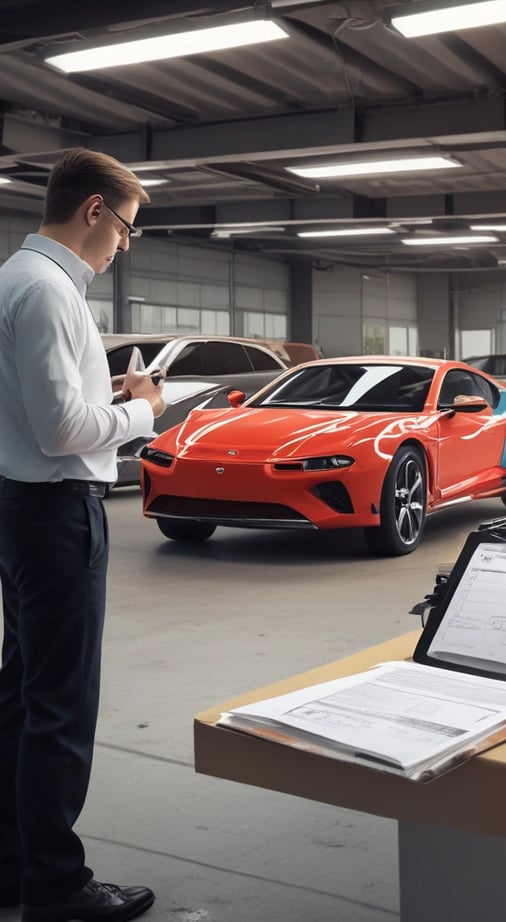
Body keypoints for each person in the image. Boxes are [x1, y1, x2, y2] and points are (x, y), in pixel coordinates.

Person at [0, 148, 165, 922]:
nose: (123, 244)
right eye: (125, 228)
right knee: (61, 706)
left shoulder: (15, 278)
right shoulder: (49, 291)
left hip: (18, 505)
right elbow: (63, 429)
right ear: (93, 211)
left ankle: (13, 865)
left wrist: (109, 393)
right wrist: (142, 411)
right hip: (56, 512)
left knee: (21, 693)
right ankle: (58, 887)